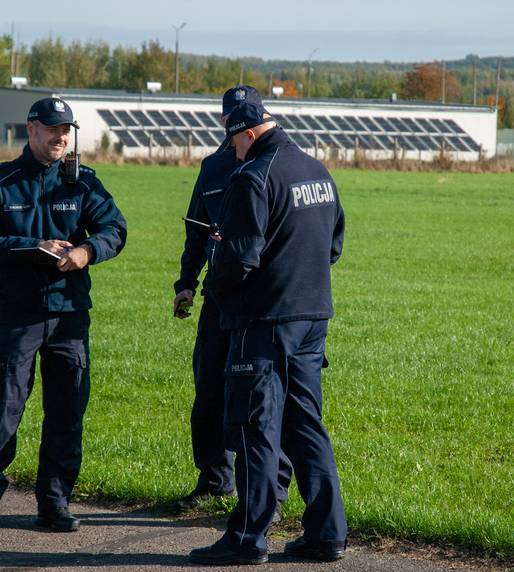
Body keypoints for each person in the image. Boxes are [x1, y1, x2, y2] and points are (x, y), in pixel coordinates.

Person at [189, 102, 347, 565]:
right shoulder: (317, 170)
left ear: (250, 135)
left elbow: (239, 259)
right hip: (313, 317)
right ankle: (327, 533)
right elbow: (333, 243)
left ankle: (246, 538)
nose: (232, 152)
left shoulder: (254, 176)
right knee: (305, 425)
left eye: (235, 142)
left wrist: (211, 284)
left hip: (263, 323)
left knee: (256, 427)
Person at [0, 97, 127, 533]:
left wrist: (87, 251)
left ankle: (54, 502)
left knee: (66, 409)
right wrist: (33, 248)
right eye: (53, 128)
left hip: (69, 315)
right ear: (31, 128)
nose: (61, 137)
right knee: (2, 407)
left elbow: (116, 229)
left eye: (67, 130)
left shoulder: (84, 183)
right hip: (18, 314)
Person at [173, 86, 291, 518]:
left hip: (260, 302)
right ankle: (214, 478)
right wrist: (186, 282)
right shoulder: (214, 167)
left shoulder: (271, 164)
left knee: (261, 396)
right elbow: (196, 230)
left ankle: (265, 493)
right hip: (218, 296)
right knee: (209, 388)